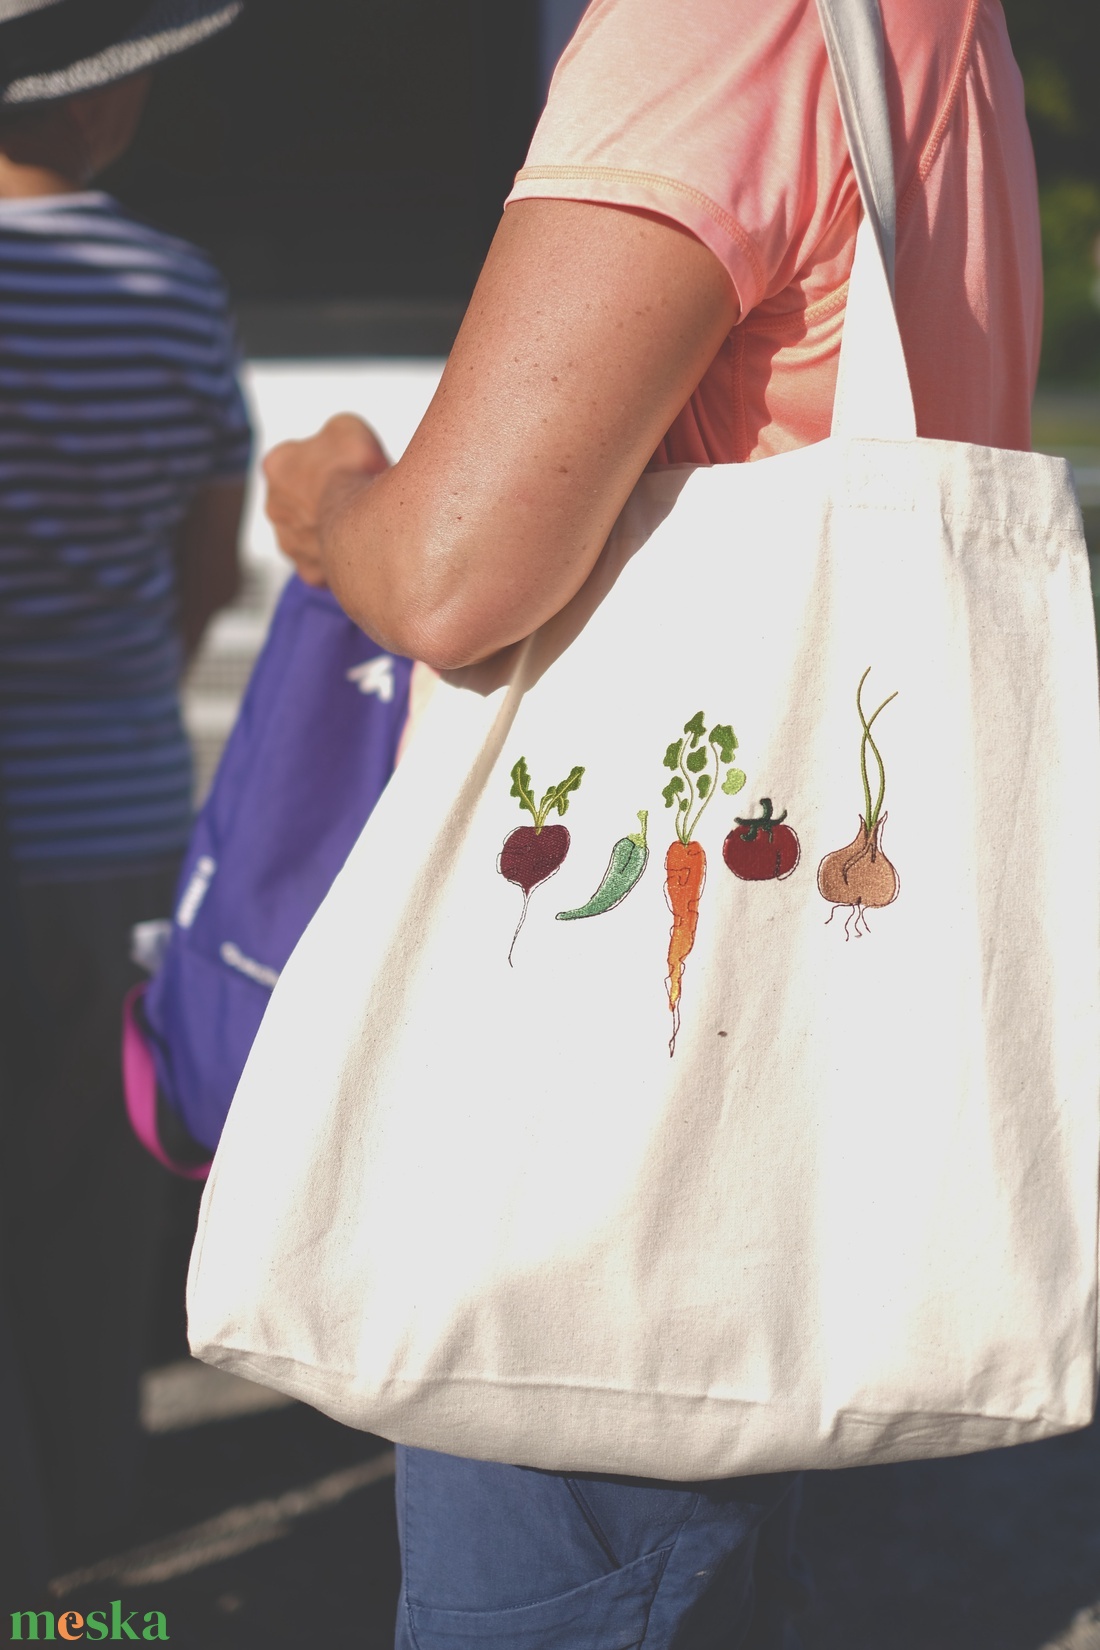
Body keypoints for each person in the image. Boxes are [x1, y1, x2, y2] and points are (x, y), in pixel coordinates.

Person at [263, 0, 1041, 1641]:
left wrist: (333, 503)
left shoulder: (715, 23)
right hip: (806, 1078)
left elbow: (453, 571)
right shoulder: (936, 28)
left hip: (604, 1123)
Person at [0, 0, 249, 1578]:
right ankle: (91, 1531)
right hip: (115, 810)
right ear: (94, 107)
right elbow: (211, 562)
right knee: (94, 1191)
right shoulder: (169, 284)